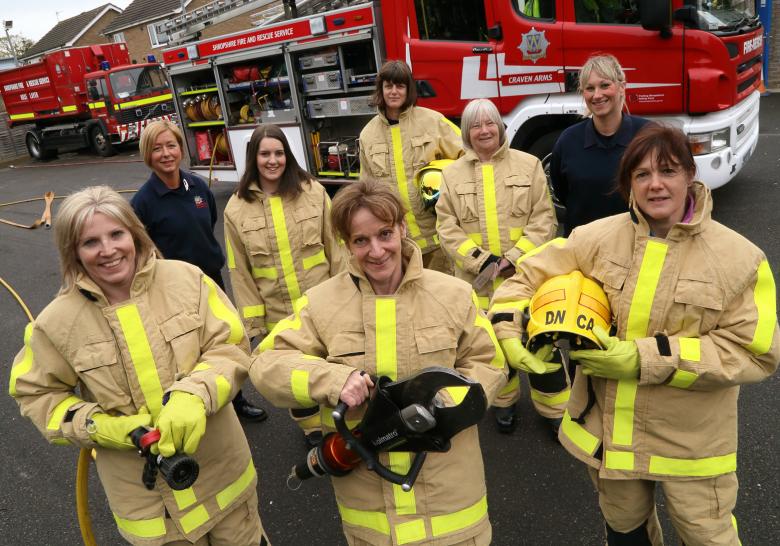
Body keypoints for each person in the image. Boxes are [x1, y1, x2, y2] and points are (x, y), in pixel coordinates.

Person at [489, 124, 779, 545]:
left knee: (707, 536)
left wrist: (647, 358)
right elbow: (523, 278)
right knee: (625, 532)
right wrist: (510, 331)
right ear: (628, 183)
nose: (655, 184)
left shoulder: (740, 258)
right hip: (612, 441)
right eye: (642, 174)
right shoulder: (596, 238)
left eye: (668, 171)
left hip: (692, 448)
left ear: (690, 176)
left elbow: (756, 352)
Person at [250, 180, 507, 546]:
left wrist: (440, 408)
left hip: (450, 504)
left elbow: (489, 361)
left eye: (385, 234)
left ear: (403, 228)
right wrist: (332, 379)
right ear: (345, 243)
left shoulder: (454, 294)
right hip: (370, 514)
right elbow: (265, 365)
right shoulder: (321, 303)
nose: (376, 251)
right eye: (360, 240)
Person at [9, 186, 269, 546]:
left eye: (117, 234)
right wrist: (101, 427)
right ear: (74, 252)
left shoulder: (186, 280)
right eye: (90, 242)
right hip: (150, 508)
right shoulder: (56, 323)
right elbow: (36, 394)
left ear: (134, 233)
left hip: (224, 481)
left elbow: (230, 344)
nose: (108, 250)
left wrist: (194, 394)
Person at [132, 120, 267, 423]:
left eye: (171, 145)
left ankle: (235, 399)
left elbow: (209, 223)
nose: (166, 153)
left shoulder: (198, 186)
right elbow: (140, 252)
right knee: (190, 349)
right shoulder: (142, 203)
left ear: (181, 148)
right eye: (157, 148)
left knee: (224, 342)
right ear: (147, 155)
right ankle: (199, 402)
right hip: (175, 291)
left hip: (211, 280)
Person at [436, 98, 557, 434]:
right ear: (466, 132)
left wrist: (514, 257)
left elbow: (544, 218)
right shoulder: (451, 174)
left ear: (501, 127)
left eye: (490, 123)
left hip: (524, 279)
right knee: (491, 347)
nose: (484, 130)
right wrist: (483, 261)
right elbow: (446, 227)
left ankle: (552, 410)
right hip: (480, 284)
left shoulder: (529, 165)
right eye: (476, 125)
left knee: (538, 342)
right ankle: (504, 405)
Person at [224, 124, 347, 446]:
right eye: (265, 154)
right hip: (277, 312)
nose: (272, 160)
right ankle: (312, 430)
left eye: (278, 153)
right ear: (254, 158)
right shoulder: (236, 208)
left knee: (329, 364)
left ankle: (338, 423)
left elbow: (336, 248)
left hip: (321, 304)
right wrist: (253, 326)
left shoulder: (313, 192)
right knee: (295, 375)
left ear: (287, 155)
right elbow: (240, 272)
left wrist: (346, 296)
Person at [359, 59, 463, 273]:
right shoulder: (367, 135)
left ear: (409, 90)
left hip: (437, 238)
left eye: (400, 86)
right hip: (396, 244)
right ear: (381, 90)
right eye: (388, 86)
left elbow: (466, 157)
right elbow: (365, 188)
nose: (394, 92)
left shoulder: (433, 121)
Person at [550, 53, 649, 236]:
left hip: (635, 247)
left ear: (621, 87)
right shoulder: (568, 140)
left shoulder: (647, 135)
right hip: (582, 249)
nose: (597, 95)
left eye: (604, 85)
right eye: (589, 88)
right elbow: (563, 192)